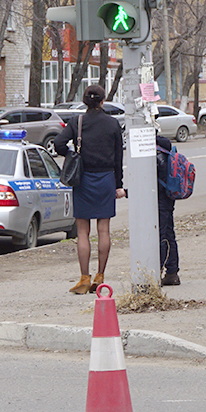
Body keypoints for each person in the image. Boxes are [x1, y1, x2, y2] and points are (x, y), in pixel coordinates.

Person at [53, 85, 126, 294]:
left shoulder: (77, 121)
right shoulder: (112, 124)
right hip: (105, 179)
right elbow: (118, 159)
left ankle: (84, 278)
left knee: (83, 232)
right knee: (104, 230)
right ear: (103, 101)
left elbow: (58, 143)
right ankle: (100, 276)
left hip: (82, 180)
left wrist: (71, 154)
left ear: (84, 101)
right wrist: (118, 184)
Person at [155, 133, 180, 286]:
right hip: (168, 197)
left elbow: (150, 181)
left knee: (161, 235)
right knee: (169, 233)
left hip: (159, 199)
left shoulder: (153, 152)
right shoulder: (165, 145)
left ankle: (157, 271)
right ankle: (172, 272)